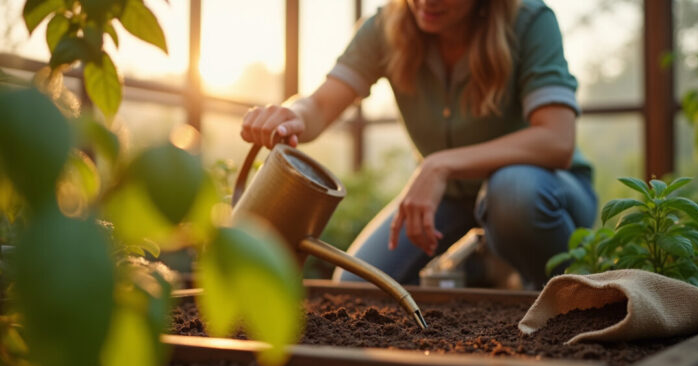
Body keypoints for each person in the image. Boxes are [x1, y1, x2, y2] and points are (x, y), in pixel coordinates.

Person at [240, 0, 597, 289]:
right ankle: (480, 268)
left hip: (544, 195)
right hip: (451, 202)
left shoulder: (530, 20)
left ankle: (568, 296)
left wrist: (440, 164)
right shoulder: (386, 26)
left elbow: (557, 138)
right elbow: (319, 105)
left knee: (513, 191)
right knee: (359, 286)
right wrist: (291, 114)